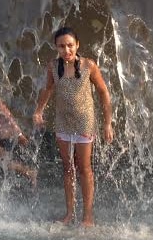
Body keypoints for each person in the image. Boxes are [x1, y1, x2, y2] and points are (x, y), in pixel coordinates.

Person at [33, 27, 113, 227]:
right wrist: (39, 110)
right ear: (56, 48)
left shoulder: (88, 65)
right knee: (68, 168)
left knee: (84, 168)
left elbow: (103, 92)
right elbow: (48, 89)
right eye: (62, 46)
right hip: (63, 121)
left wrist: (108, 123)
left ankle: (87, 215)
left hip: (84, 121)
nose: (66, 50)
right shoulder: (53, 67)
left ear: (77, 45)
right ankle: (69, 213)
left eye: (70, 45)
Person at [0, 72, 37, 191]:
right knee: (6, 162)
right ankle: (29, 172)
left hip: (3, 138)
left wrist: (19, 134)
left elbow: (9, 117)